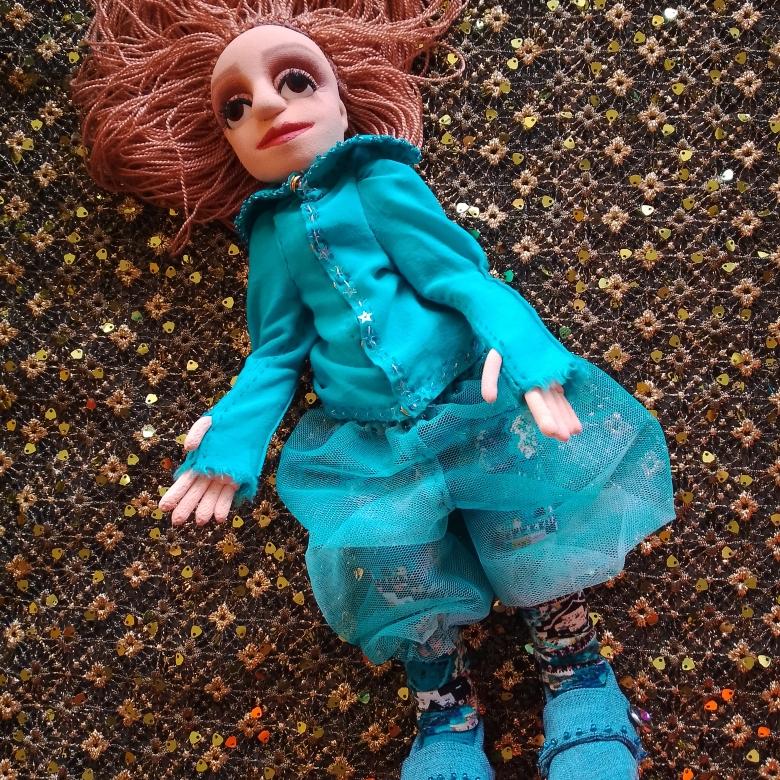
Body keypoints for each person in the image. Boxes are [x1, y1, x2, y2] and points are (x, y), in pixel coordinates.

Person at [70, 2, 675, 777]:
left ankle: (576, 670)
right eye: (236, 107)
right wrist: (232, 441)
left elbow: (460, 277)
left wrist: (528, 359)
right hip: (369, 442)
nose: (268, 107)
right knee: (394, 567)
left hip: (472, 401)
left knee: (530, 526)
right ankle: (445, 710)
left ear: (342, 98)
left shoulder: (381, 180)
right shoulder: (269, 235)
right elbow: (275, 353)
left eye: (295, 80)